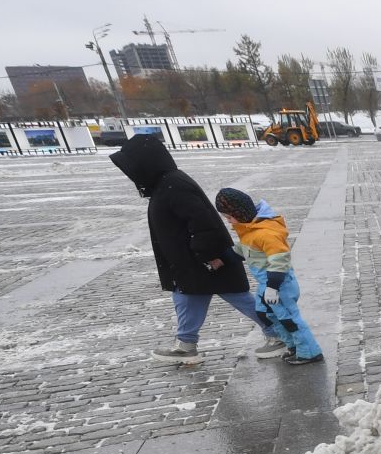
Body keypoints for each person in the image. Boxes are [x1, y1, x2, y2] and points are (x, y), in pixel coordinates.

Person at [109, 133, 267, 364]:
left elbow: (204, 224)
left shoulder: (174, 186)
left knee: (240, 300)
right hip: (191, 264)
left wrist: (208, 256)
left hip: (205, 262)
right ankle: (186, 344)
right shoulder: (165, 185)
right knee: (187, 300)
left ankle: (279, 332)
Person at [213, 188, 324, 365]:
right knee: (267, 313)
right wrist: (221, 260)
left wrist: (273, 287)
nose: (229, 222)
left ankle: (309, 351)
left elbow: (280, 261)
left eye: (229, 217)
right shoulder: (248, 232)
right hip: (266, 284)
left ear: (240, 213)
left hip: (279, 284)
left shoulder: (266, 233)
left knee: (289, 319)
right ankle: (293, 346)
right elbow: (241, 251)